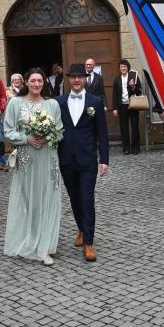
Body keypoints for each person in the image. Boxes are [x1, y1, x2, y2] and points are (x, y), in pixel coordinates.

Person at [3, 68, 64, 266]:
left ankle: (45, 246)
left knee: (49, 199)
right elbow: (8, 130)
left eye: (40, 80)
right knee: (31, 202)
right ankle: (30, 240)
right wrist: (26, 138)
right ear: (26, 82)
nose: (36, 84)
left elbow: (60, 131)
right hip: (27, 158)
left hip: (48, 158)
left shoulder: (52, 104)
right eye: (33, 80)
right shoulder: (15, 103)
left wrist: (47, 137)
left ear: (44, 82)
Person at [57, 63, 110, 262]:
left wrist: (104, 160)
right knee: (74, 199)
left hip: (88, 159)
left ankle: (88, 242)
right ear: (69, 79)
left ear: (85, 79)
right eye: (73, 77)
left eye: (80, 77)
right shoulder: (59, 102)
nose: (77, 80)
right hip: (66, 159)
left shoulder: (95, 102)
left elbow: (102, 134)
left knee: (87, 200)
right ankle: (81, 228)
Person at [112, 59, 143, 155]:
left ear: (127, 67)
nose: (123, 68)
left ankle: (135, 148)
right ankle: (126, 148)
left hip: (132, 104)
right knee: (123, 127)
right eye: (121, 67)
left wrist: (133, 86)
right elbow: (115, 94)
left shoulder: (133, 76)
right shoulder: (117, 79)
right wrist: (115, 108)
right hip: (122, 106)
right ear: (119, 68)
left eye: (124, 66)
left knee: (135, 127)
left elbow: (139, 92)